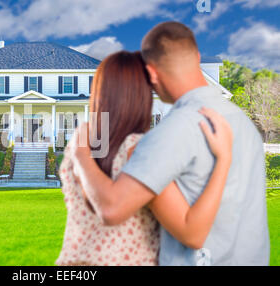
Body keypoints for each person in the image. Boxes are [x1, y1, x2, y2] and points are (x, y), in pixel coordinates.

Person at [70, 22, 270, 266]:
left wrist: (80, 154)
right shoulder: (243, 123)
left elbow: (112, 209)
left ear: (152, 74)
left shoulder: (174, 131)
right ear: (196, 57)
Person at [56, 51, 233, 266]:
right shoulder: (140, 149)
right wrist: (223, 158)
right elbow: (192, 234)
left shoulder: (80, 144)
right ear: (142, 94)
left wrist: (81, 155)